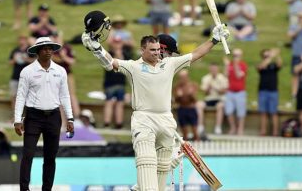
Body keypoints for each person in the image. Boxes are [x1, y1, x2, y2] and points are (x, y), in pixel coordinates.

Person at [81, 10, 229, 191]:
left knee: (162, 172)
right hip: (144, 120)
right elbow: (110, 63)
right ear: (142, 50)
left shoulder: (169, 64)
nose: (156, 53)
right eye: (152, 50)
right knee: (146, 163)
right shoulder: (133, 66)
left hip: (166, 119)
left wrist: (214, 40)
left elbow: (196, 54)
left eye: (158, 50)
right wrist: (97, 48)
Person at [14, 36, 74, 191]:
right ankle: (24, 189)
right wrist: (17, 120)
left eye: (50, 49)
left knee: (50, 157)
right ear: (37, 52)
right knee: (28, 155)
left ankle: (47, 189)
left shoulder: (60, 71)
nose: (48, 51)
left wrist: (70, 118)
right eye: (45, 49)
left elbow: (65, 96)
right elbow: (20, 96)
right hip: (33, 116)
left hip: (53, 117)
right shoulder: (27, 71)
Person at [51, 31, 81, 123]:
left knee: (71, 96)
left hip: (67, 75)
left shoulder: (67, 48)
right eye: (54, 37)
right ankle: (62, 122)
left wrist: (64, 57)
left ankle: (78, 119)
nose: (56, 39)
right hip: (55, 76)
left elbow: (72, 62)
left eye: (57, 37)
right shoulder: (51, 49)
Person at [197, 62, 228, 135]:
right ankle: (200, 126)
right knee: (199, 105)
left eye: (215, 69)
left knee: (220, 106)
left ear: (217, 69)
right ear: (210, 69)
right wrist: (208, 88)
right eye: (212, 69)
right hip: (209, 99)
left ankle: (218, 127)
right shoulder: (206, 78)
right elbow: (205, 93)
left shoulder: (222, 78)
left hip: (218, 98)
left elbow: (224, 91)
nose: (213, 70)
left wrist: (215, 88)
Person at [257, 48, 282, 136]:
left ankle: (275, 131)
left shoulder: (273, 65)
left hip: (273, 91)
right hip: (263, 91)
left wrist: (277, 55)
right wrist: (270, 56)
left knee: (273, 112)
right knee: (263, 112)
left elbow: (279, 64)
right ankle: (263, 131)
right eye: (266, 55)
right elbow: (261, 67)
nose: (267, 56)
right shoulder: (261, 64)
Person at [8, 35, 34, 121]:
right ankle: (15, 116)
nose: (21, 41)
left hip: (27, 78)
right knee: (14, 97)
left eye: (23, 39)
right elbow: (10, 62)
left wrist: (27, 59)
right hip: (15, 77)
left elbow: (36, 61)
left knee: (27, 98)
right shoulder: (15, 50)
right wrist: (14, 60)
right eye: (20, 39)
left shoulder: (30, 50)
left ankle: (26, 117)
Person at [223, 48, 248, 135]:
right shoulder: (229, 64)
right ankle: (233, 128)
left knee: (240, 112)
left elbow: (238, 75)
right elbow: (225, 75)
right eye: (234, 55)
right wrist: (226, 66)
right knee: (229, 111)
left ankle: (240, 129)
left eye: (237, 56)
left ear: (241, 56)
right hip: (230, 92)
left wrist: (236, 65)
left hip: (240, 92)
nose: (235, 57)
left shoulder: (243, 65)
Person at [173, 69, 199, 140]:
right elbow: (176, 101)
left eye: (184, 77)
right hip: (182, 109)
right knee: (184, 133)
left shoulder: (193, 85)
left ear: (187, 77)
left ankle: (197, 145)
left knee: (195, 131)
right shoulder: (177, 87)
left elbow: (195, 100)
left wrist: (191, 95)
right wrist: (178, 96)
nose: (182, 79)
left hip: (191, 109)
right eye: (181, 77)